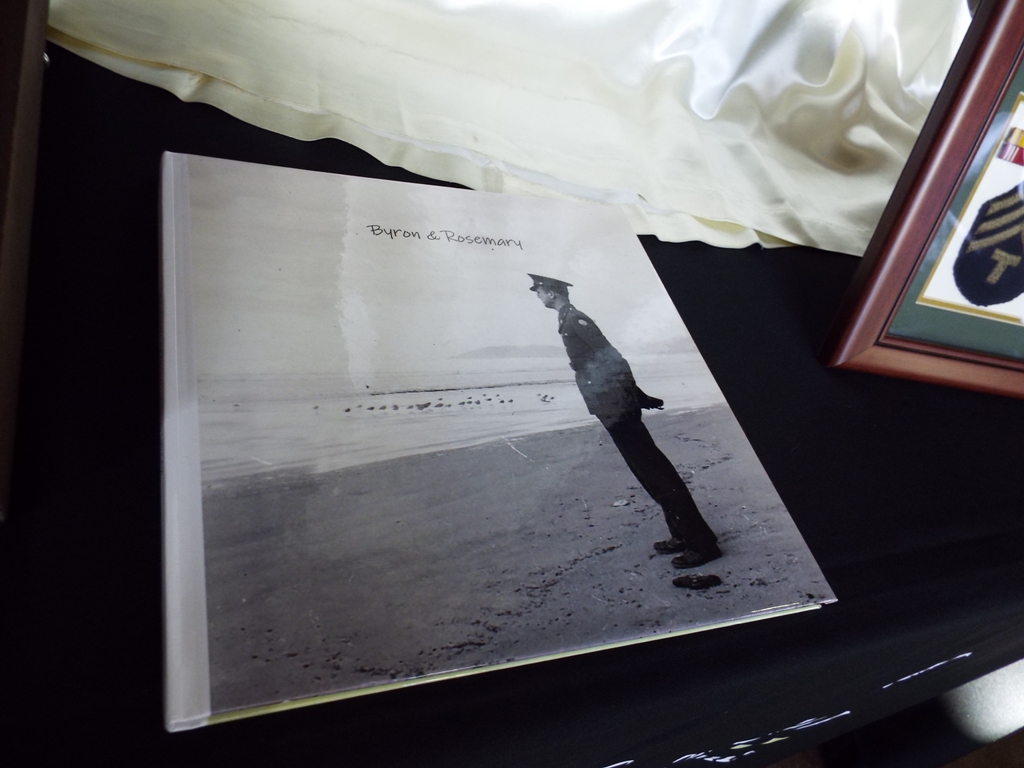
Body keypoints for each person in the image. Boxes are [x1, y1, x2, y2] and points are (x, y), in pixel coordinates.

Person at [528, 274, 721, 568]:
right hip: (610, 405)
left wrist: (636, 397)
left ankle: (702, 544)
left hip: (616, 405)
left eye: (539, 291)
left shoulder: (575, 319)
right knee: (648, 473)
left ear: (552, 293)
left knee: (655, 472)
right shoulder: (567, 319)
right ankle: (681, 535)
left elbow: (612, 357)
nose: (537, 295)